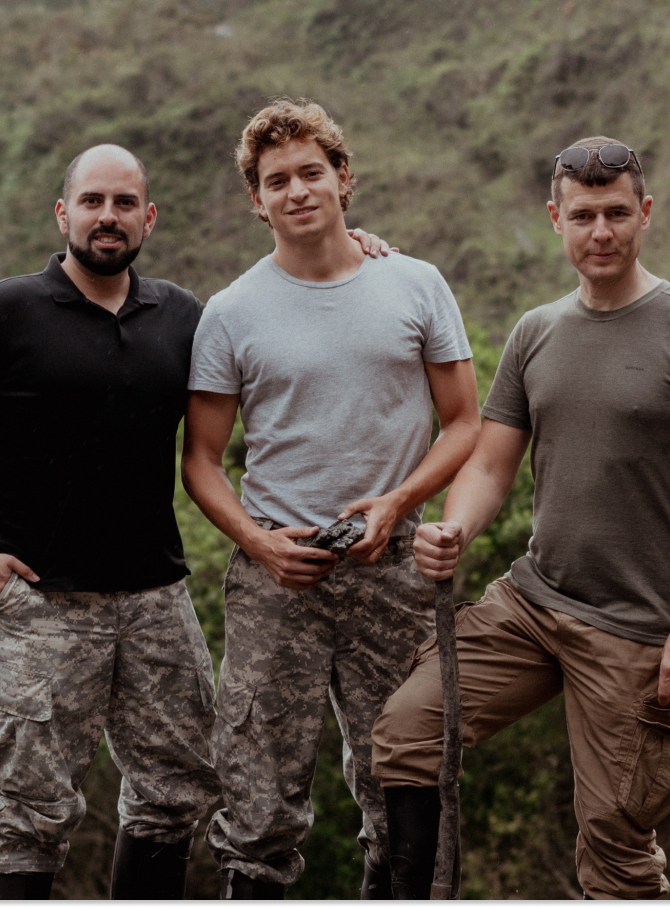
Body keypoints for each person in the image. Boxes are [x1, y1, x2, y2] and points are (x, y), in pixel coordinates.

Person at [0, 144, 392, 900]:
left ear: (148, 217)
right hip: (39, 608)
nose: (108, 217)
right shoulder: (2, 312)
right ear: (63, 214)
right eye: (92, 201)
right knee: (27, 813)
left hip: (157, 601)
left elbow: (272, 331)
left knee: (175, 791)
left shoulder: (182, 316)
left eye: (125, 204)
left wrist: (362, 250)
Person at [371, 137, 670, 900]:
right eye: (584, 216)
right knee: (409, 732)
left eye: (617, 213)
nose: (602, 232)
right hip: (534, 605)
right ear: (557, 219)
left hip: (639, 628)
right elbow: (490, 463)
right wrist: (457, 529)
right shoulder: (536, 332)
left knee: (615, 845)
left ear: (645, 214)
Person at [181, 98, 481, 900]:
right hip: (279, 574)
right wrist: (258, 543)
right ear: (257, 199)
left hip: (393, 563)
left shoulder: (414, 284)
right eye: (276, 180)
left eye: (311, 172)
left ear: (344, 178)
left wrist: (399, 500)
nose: (296, 191)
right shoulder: (231, 312)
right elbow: (202, 461)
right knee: (257, 797)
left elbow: (464, 424)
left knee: (407, 777)